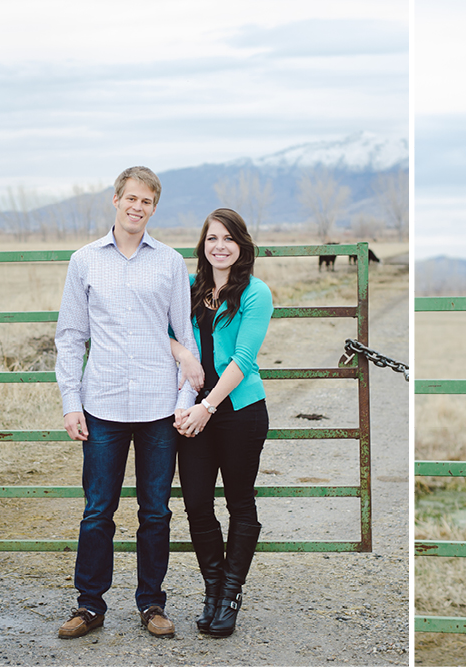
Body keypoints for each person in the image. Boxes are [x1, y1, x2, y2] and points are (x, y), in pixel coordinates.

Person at [54, 166, 199, 639]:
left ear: (154, 208)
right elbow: (71, 338)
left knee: (155, 511)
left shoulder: (171, 263)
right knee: (98, 509)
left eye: (147, 202)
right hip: (102, 406)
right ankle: (89, 607)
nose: (138, 207)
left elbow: (185, 338)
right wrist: (71, 403)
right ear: (115, 200)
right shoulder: (85, 261)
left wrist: (184, 399)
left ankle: (151, 605)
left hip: (160, 409)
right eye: (131, 198)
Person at [169, 208, 273, 637]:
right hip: (195, 409)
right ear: (203, 246)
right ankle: (212, 590)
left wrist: (207, 406)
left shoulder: (255, 292)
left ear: (241, 245)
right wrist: (184, 355)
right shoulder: (192, 289)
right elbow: (165, 332)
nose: (220, 246)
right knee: (196, 503)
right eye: (212, 238)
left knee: (239, 503)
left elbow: (243, 361)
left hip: (238, 412)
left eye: (228, 238)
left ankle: (231, 593)